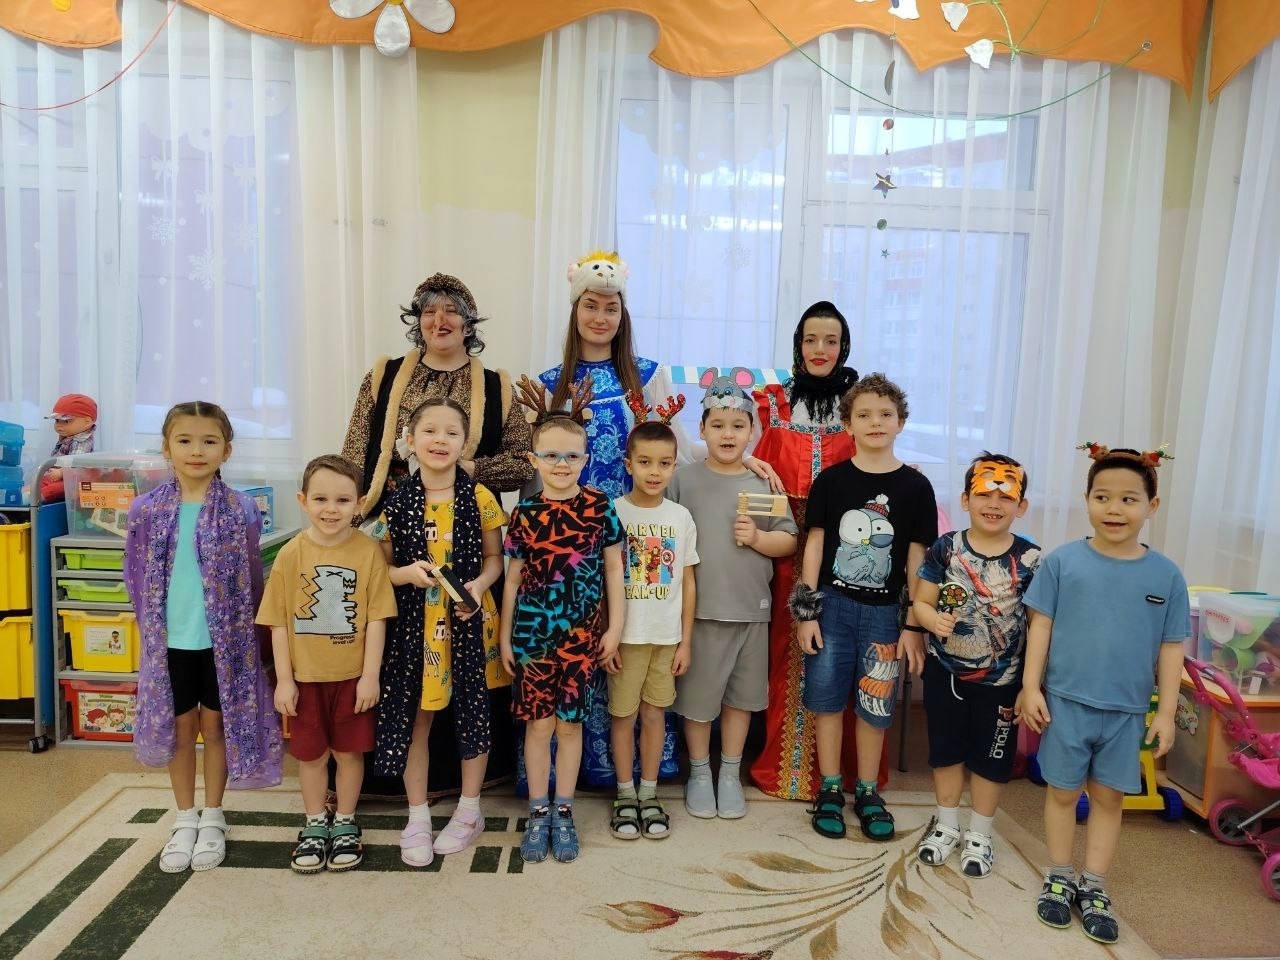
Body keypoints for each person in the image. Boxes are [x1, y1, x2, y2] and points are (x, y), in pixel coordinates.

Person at [535, 250, 778, 788]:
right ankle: (578, 767)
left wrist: (742, 459)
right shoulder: (551, 382)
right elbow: (542, 462)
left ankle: (637, 773)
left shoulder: (648, 376)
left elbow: (680, 448)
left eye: (611, 308)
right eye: (591, 306)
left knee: (636, 639)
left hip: (637, 532)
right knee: (581, 638)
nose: (601, 317)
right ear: (575, 311)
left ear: (624, 315)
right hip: (573, 536)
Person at [341, 272, 530, 795]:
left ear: (469, 323)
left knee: (466, 660)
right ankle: (391, 784)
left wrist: (471, 469)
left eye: (452, 311)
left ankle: (468, 785)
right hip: (397, 535)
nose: (440, 320)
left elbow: (521, 462)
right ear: (417, 320)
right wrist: (347, 519)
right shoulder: (384, 376)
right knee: (399, 657)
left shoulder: (497, 387)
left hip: (466, 537)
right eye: (429, 310)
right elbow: (355, 450)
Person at [1018, 443, 1187, 945]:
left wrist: (1167, 713)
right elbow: (1040, 627)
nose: (1114, 509)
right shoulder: (1062, 563)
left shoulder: (1166, 575)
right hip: (1066, 702)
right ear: (1087, 499)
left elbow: (1171, 647)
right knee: (1062, 792)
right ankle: (1059, 875)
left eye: (1129, 499)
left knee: (1109, 798)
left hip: (1127, 712)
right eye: (1103, 497)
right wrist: (1030, 686)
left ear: (1151, 506)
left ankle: (1093, 884)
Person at [123, 401, 282, 874]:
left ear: (226, 450)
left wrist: (252, 642)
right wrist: (151, 637)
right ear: (167, 447)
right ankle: (185, 817)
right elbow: (135, 575)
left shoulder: (241, 508)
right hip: (170, 644)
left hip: (225, 645)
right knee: (179, 731)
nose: (197, 450)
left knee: (216, 728)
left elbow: (252, 578)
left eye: (209, 441)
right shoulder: (146, 509)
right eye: (185, 440)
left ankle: (213, 815)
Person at [747, 301, 887, 802]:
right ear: (798, 345)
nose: (820, 349)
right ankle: (784, 768)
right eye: (811, 340)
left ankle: (846, 772)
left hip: (848, 555)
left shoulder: (862, 406)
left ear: (844, 346)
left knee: (844, 656)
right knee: (784, 656)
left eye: (831, 340)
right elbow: (739, 454)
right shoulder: (771, 405)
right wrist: (751, 465)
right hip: (782, 550)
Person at [792, 373, 938, 840]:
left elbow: (917, 560)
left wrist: (914, 622)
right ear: (848, 424)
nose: (875, 422)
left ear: (901, 422)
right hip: (831, 609)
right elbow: (815, 547)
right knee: (827, 701)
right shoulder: (832, 481)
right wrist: (806, 613)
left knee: (875, 705)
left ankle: (869, 791)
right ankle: (831, 787)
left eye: (885, 414)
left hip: (885, 616)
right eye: (864, 414)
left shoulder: (916, 487)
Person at [375, 398, 508, 867]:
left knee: (473, 713)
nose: (440, 440)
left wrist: (480, 585)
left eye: (452, 432)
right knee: (416, 717)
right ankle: (417, 815)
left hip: (468, 621)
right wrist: (405, 574)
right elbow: (381, 570)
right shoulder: (396, 502)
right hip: (416, 626)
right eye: (429, 431)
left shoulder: (481, 497)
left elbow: (495, 558)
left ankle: (470, 811)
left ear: (464, 443)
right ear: (410, 441)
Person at [257, 455, 397, 874]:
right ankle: (316, 822)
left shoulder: (368, 552)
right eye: (320, 499)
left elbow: (376, 619)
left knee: (349, 754)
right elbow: (278, 623)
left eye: (342, 500)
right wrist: (284, 681)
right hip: (305, 680)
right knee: (311, 756)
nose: (331, 509)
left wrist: (370, 676)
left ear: (360, 503)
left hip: (353, 679)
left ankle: (347, 822)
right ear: (303, 500)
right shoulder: (290, 554)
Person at [668, 374, 797, 820]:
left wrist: (759, 538)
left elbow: (788, 540)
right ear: (702, 430)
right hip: (700, 613)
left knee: (741, 699)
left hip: (751, 612)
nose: (728, 434)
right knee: (699, 700)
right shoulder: (683, 481)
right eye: (718, 425)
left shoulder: (764, 483)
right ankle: (700, 772)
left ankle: (729, 771)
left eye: (738, 426)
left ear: (752, 432)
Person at [500, 407, 625, 863]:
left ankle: (564, 811)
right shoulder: (525, 512)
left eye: (571, 456)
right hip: (533, 637)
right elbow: (512, 579)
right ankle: (539, 811)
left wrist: (615, 627)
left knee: (570, 725)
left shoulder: (600, 506)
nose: (561, 464)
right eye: (551, 455)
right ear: (534, 460)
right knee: (539, 725)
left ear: (585, 459)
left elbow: (615, 570)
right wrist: (504, 637)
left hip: (581, 638)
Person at [911, 453, 1041, 877]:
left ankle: (981, 833)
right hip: (945, 673)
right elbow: (921, 600)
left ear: (1021, 506)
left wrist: (1031, 685)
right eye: (984, 494)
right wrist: (932, 620)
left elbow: (1039, 625)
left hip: (1003, 682)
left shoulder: (1031, 558)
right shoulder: (945, 547)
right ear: (966, 500)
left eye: (1006, 497)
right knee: (946, 751)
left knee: (992, 759)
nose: (994, 503)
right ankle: (947, 824)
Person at [606, 416, 698, 840]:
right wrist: (609, 637)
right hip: (625, 639)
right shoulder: (613, 512)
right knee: (623, 716)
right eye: (645, 462)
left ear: (674, 465)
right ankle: (624, 792)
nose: (654, 472)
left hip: (665, 638)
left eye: (664, 463)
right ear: (629, 464)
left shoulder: (681, 517)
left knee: (655, 714)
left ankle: (648, 792)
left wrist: (685, 641)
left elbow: (688, 582)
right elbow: (602, 581)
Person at [40, 392, 97, 502]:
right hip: (57, 477)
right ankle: (24, 496)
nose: (59, 425)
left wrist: (61, 472)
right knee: (36, 483)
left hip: (73, 481)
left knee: (53, 490)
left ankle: (33, 499)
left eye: (66, 421)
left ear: (87, 422)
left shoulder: (82, 442)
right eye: (57, 420)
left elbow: (76, 464)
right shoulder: (68, 436)